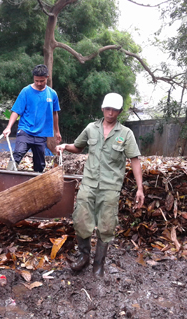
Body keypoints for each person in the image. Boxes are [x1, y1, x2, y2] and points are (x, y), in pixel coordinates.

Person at [56, 93, 144, 278]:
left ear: (119, 112)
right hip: (88, 183)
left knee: (106, 225)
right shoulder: (91, 128)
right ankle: (84, 256)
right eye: (107, 109)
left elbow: (135, 160)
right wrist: (65, 146)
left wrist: (140, 188)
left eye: (114, 110)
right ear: (102, 109)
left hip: (110, 187)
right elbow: (78, 147)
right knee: (81, 219)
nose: (110, 113)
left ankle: (98, 264)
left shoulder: (126, 134)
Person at [3, 64, 62, 172]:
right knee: (18, 153)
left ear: (47, 78)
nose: (39, 83)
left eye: (42, 81)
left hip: (41, 134)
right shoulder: (26, 91)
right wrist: (8, 127)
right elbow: (16, 111)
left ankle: (37, 183)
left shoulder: (52, 94)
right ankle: (8, 176)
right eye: (36, 81)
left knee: (40, 163)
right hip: (25, 130)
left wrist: (57, 131)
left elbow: (55, 113)